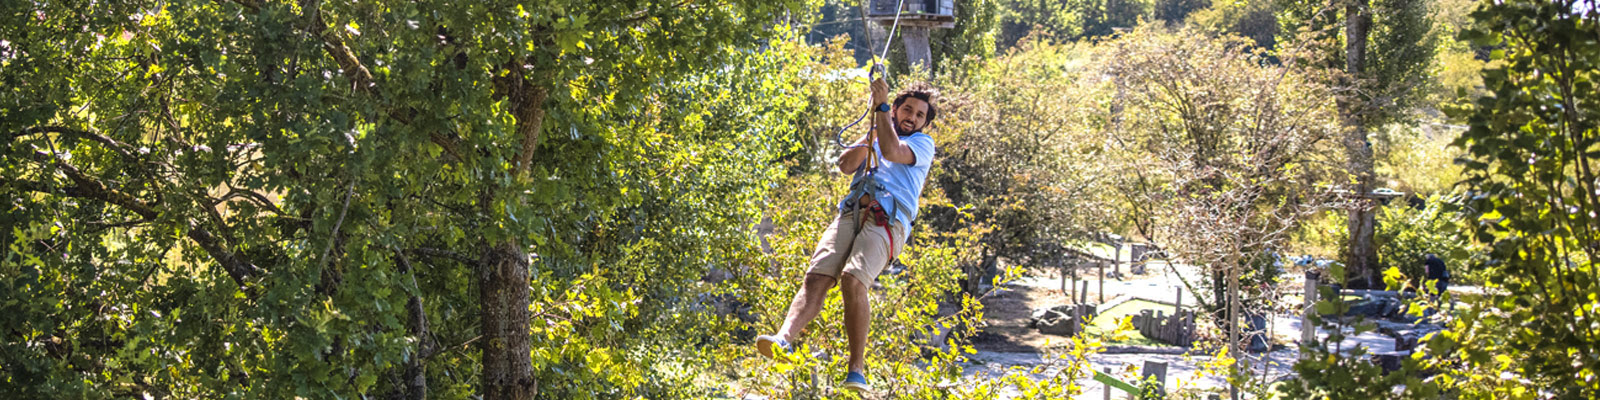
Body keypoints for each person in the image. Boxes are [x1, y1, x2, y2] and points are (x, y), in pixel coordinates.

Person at [753, 78, 938, 393]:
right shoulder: (877, 132)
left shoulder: (921, 144)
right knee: (817, 276)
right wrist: (874, 128)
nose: (913, 117)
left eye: (920, 115)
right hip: (853, 210)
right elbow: (845, 164)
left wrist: (881, 110)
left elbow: (893, 152)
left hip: (888, 219)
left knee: (853, 278)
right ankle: (783, 338)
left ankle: (856, 370)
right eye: (907, 109)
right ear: (896, 109)